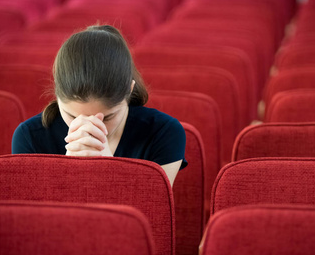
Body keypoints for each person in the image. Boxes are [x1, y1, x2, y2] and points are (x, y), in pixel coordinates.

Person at [12, 25, 187, 186]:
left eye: (108, 117)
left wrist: (108, 170)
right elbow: (35, 217)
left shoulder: (164, 133)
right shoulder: (29, 137)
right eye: (72, 116)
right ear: (57, 94)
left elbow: (153, 212)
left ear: (130, 90)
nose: (89, 127)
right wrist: (66, 172)